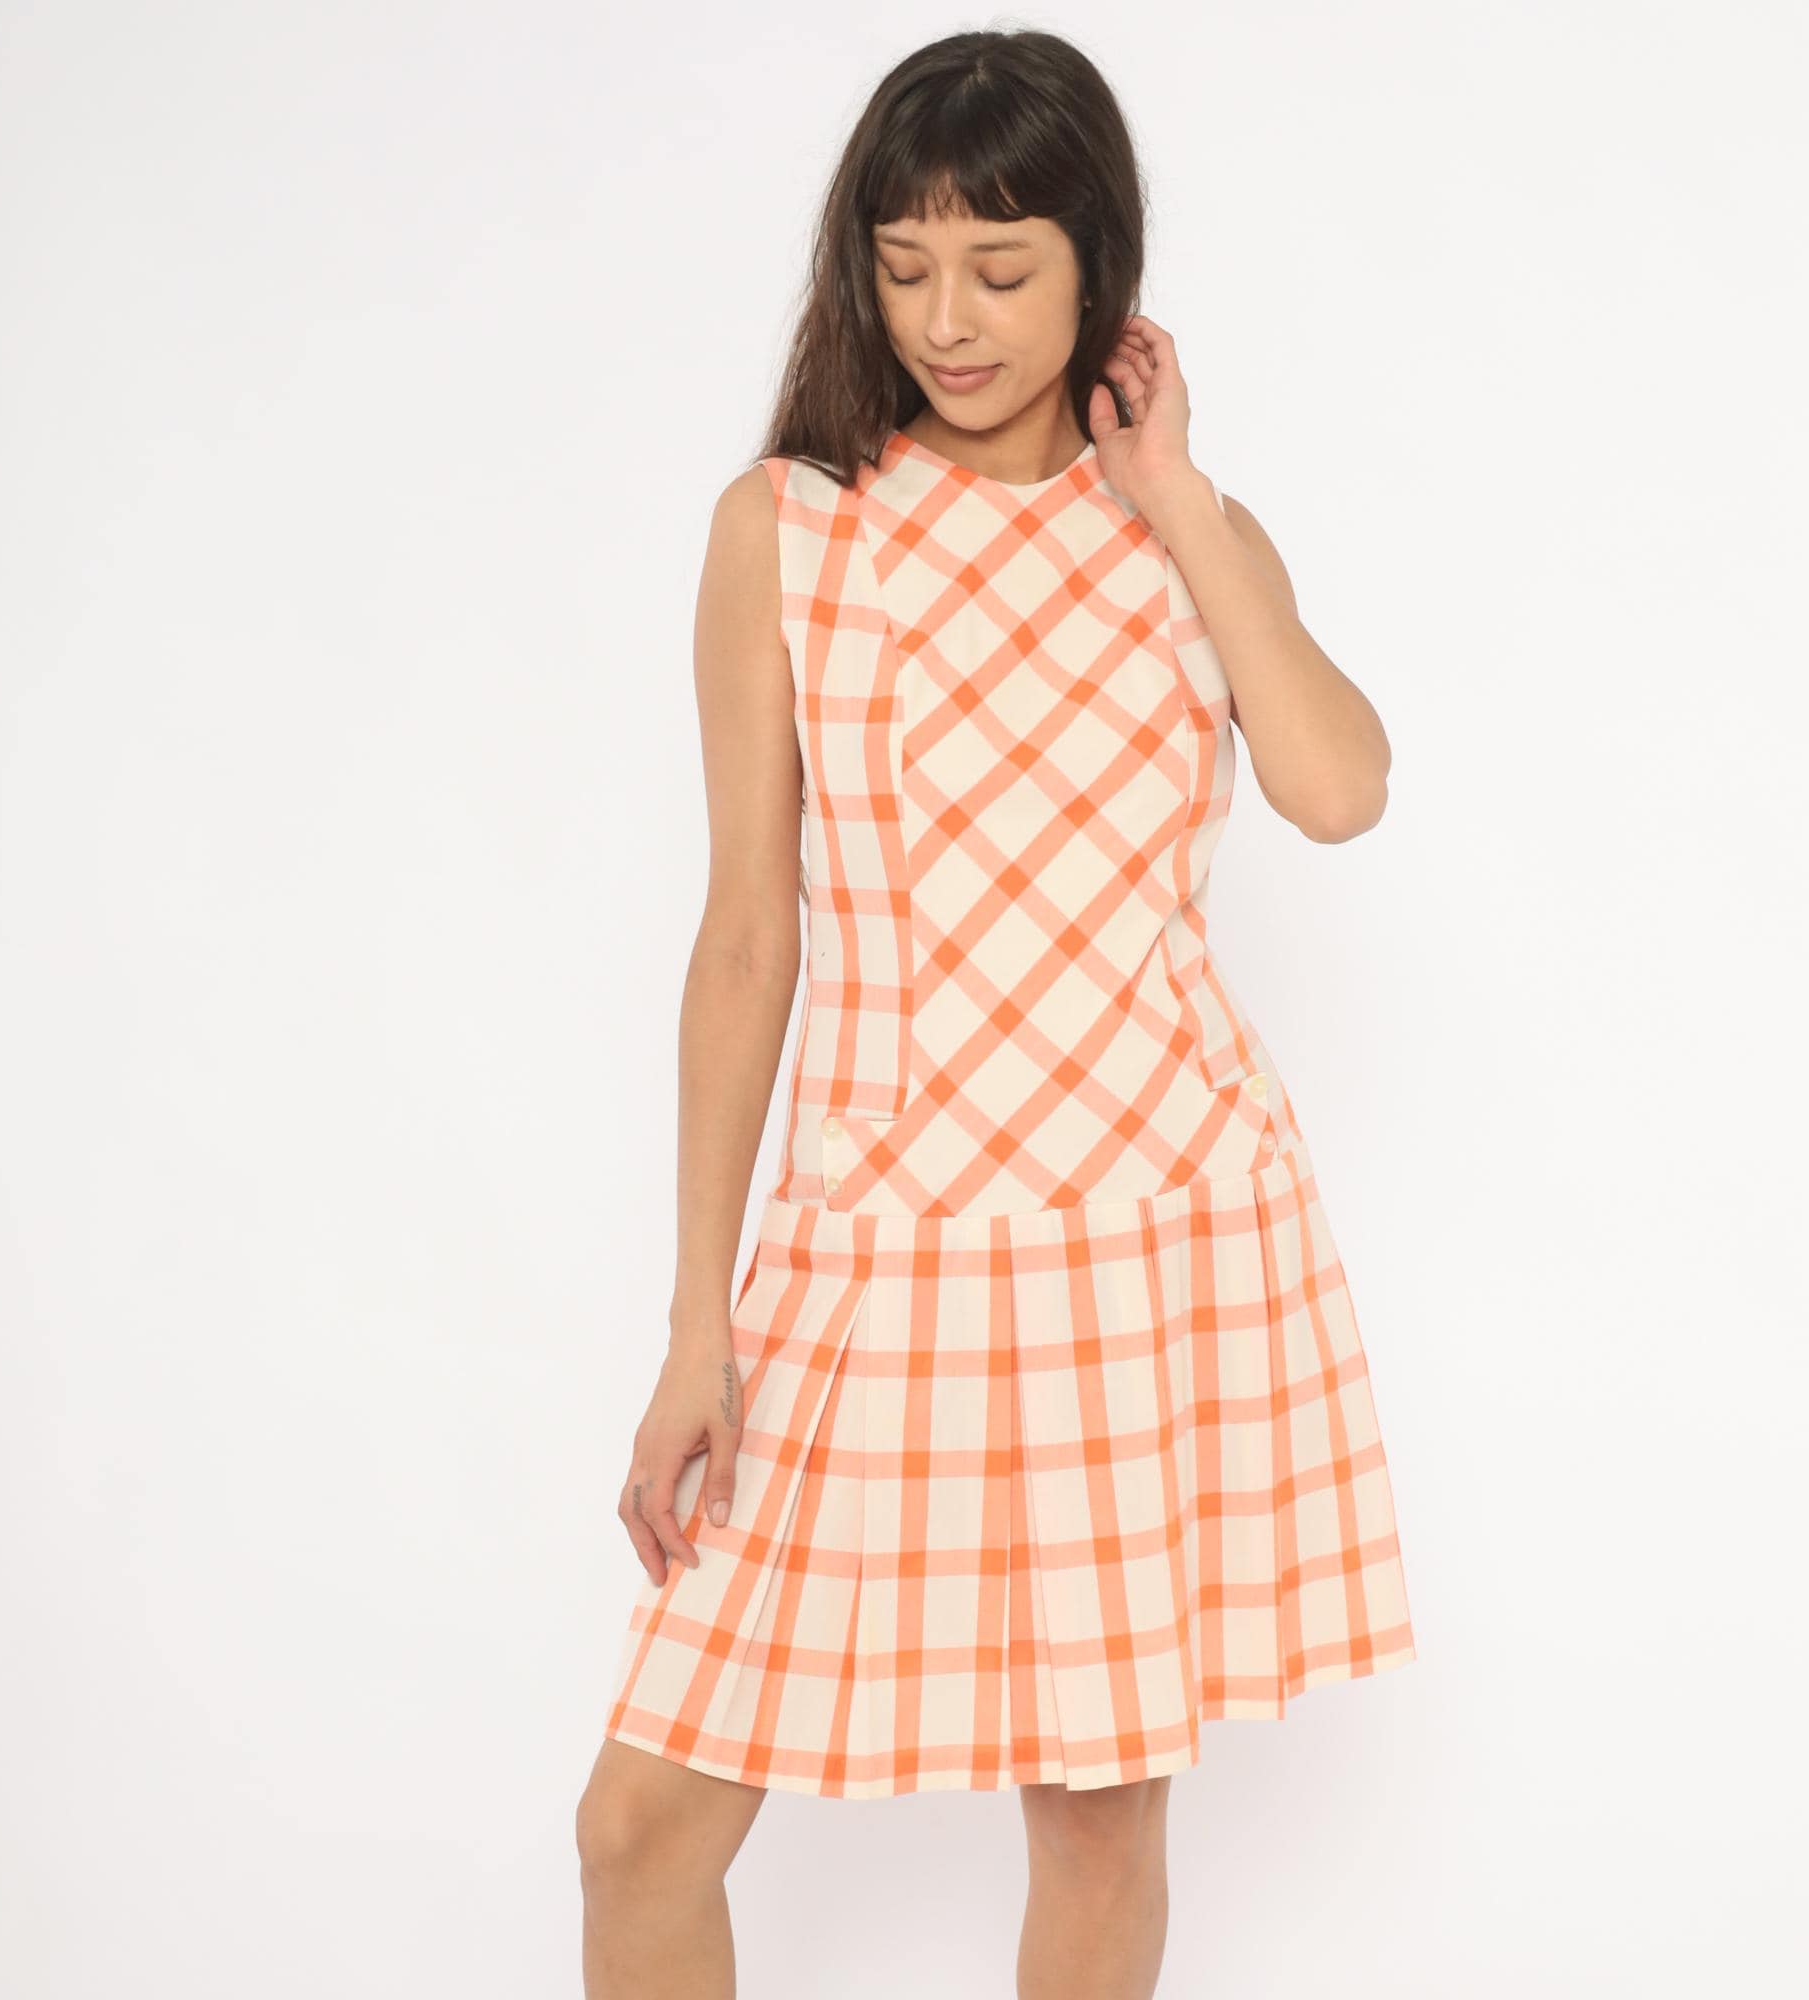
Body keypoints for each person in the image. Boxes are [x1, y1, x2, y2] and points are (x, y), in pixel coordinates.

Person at [575, 26, 1416, 2000]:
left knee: (1099, 1823)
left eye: (1002, 269)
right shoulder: (792, 531)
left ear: (1099, 267)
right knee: (641, 1832)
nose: (946, 320)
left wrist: (1175, 493)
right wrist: (698, 1325)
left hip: (1147, 1222)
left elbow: (1336, 786)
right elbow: (748, 940)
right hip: (880, 1229)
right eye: (904, 266)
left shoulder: (1185, 535)